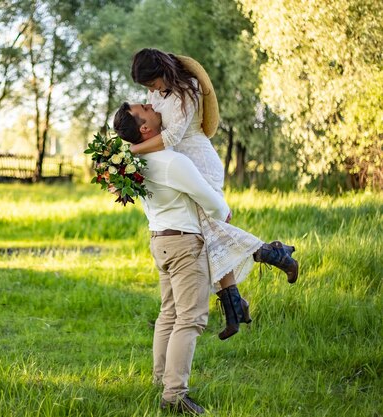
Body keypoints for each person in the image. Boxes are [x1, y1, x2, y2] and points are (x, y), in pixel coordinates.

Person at [117, 48, 299, 340]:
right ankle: (237, 301)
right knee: (211, 236)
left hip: (197, 162)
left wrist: (129, 152)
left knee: (212, 231)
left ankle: (271, 260)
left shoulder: (187, 89)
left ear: (162, 72)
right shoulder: (157, 96)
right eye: (147, 89)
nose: (151, 92)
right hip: (180, 166)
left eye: (152, 84)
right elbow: (149, 130)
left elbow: (172, 136)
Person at [112, 108, 230, 414]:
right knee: (190, 318)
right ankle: (174, 394)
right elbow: (211, 200)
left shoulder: (138, 165)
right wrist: (225, 214)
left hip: (160, 241)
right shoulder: (173, 161)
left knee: (169, 313)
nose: (151, 107)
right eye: (144, 110)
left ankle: (160, 381)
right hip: (184, 243)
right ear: (146, 129)